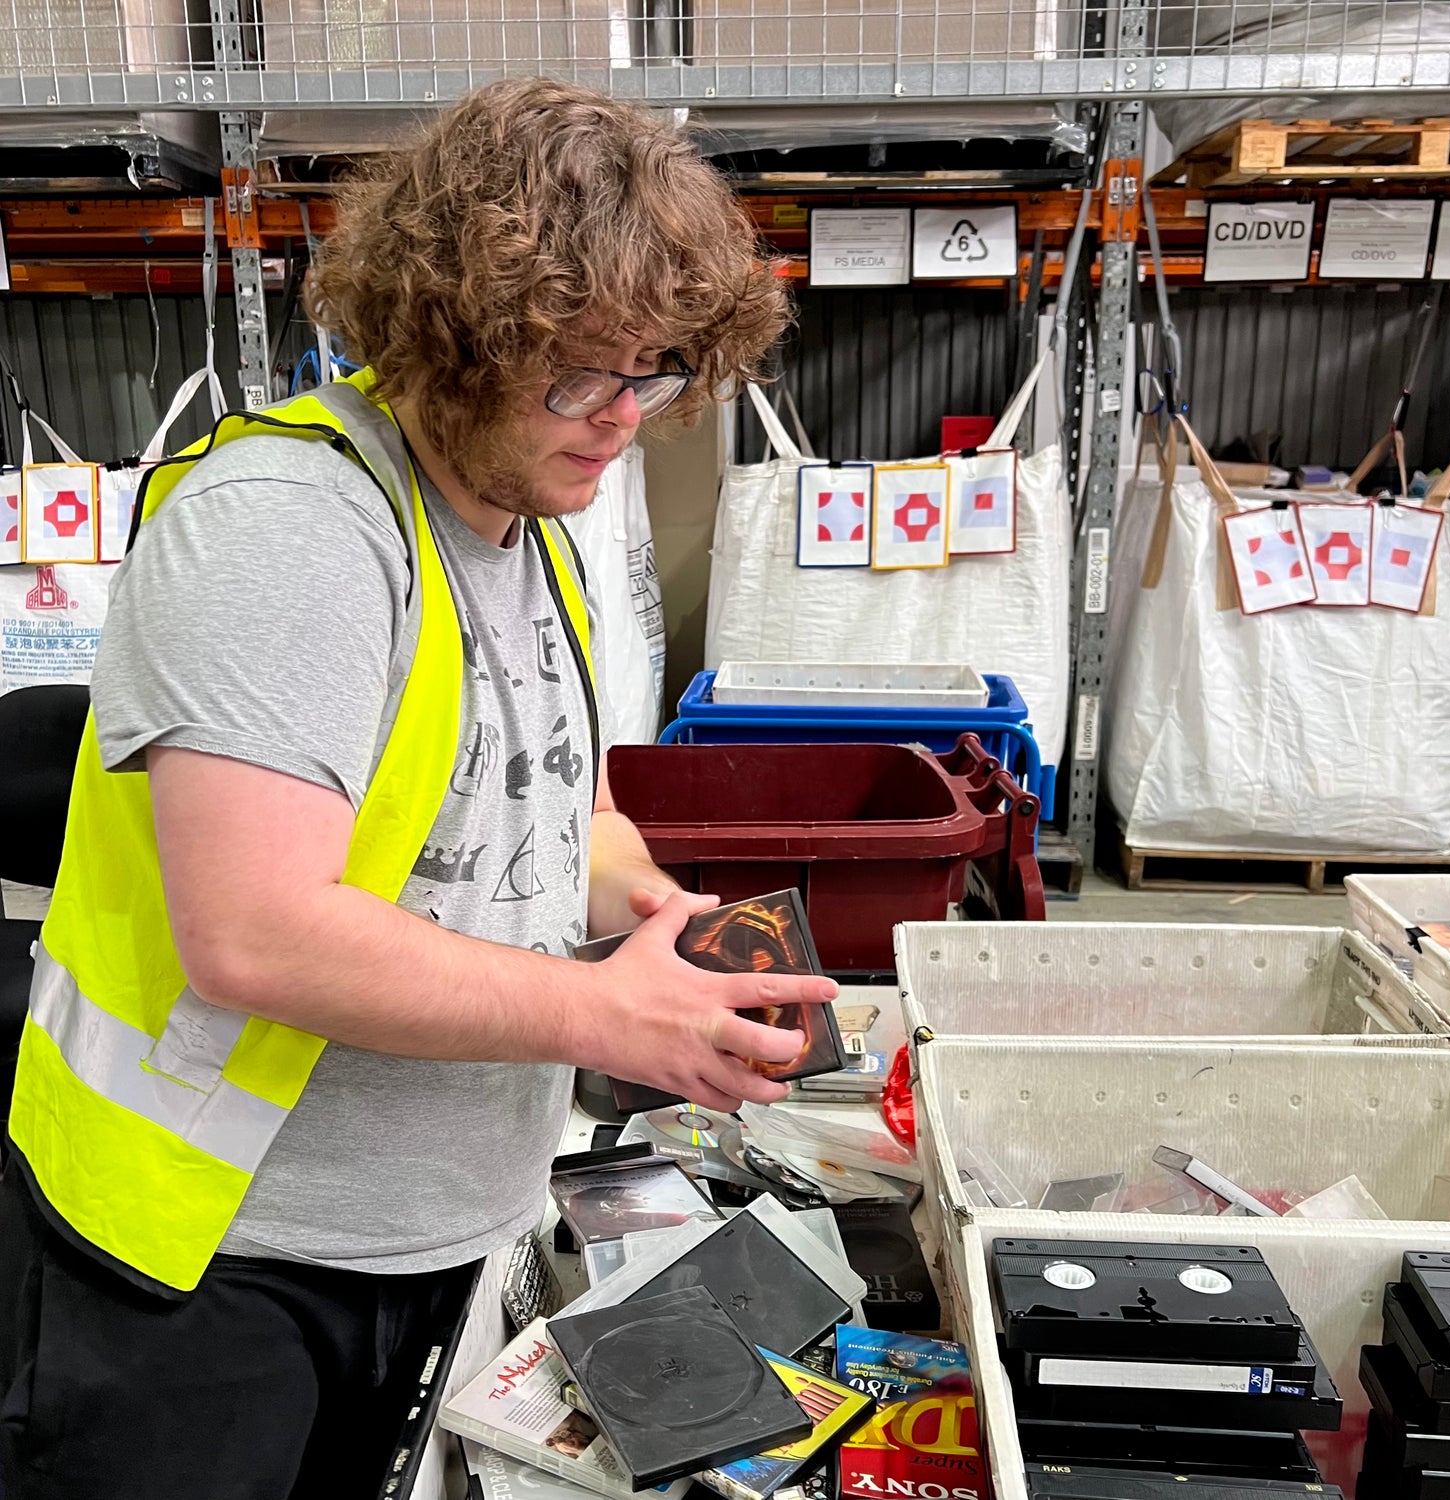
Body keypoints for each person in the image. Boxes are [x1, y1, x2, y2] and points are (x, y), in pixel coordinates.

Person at [0, 78, 836, 1500]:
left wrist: (659, 908)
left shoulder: (523, 528)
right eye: (580, 372)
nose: (624, 417)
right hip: (212, 1267)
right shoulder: (289, 534)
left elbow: (538, 803)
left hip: (414, 1243)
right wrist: (601, 1009)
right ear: (451, 335)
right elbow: (255, 932)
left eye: (656, 370)